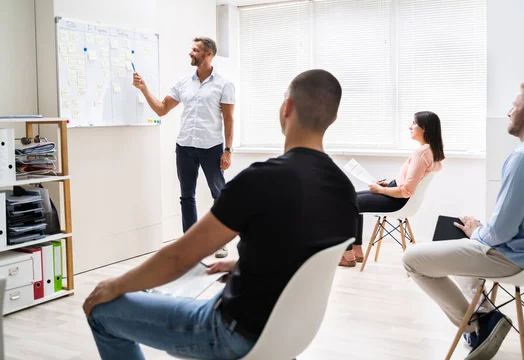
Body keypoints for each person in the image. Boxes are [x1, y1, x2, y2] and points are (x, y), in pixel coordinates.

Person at [84, 69, 359, 360]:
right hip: (287, 335)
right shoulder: (345, 191)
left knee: (102, 310)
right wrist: (246, 265)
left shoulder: (262, 179)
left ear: (287, 107)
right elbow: (303, 254)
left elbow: (179, 257)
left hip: (230, 332)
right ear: (332, 119)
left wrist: (114, 285)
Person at [403, 82, 524, 360]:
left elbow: (501, 232)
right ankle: (483, 318)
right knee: (463, 230)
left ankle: (478, 323)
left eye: (514, 104)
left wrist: (478, 233)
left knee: (411, 259)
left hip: (512, 258)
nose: (509, 111)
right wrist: (478, 230)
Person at [133, 37, 233, 258]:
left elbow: (229, 118)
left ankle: (220, 241)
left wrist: (228, 150)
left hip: (211, 147)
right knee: (186, 196)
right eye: (191, 49)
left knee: (220, 194)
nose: (191, 53)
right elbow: (161, 109)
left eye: (195, 50)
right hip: (185, 146)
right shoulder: (183, 82)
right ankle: (191, 244)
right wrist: (144, 89)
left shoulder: (224, 84)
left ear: (208, 54)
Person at [340, 111, 444, 267]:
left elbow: (407, 191)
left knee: (346, 203)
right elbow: (410, 183)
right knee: (350, 198)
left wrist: (380, 190)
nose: (410, 127)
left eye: (414, 123)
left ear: (425, 128)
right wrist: (388, 185)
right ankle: (357, 251)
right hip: (397, 196)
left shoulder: (421, 153)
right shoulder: (431, 151)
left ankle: (348, 256)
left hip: (398, 201)